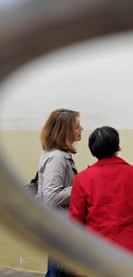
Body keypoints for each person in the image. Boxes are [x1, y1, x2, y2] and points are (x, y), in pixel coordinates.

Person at [69, 126, 133, 263]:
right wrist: (130, 218)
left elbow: (75, 219)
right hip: (132, 248)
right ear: (117, 146)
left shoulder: (82, 178)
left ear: (93, 149)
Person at [37, 108, 83, 277]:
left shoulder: (57, 154)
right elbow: (51, 196)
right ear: (65, 130)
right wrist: (81, 187)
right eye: (77, 126)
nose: (81, 129)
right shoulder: (57, 157)